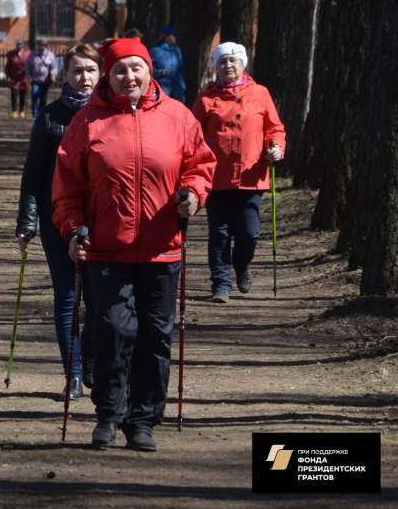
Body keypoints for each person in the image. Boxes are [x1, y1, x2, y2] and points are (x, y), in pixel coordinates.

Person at [53, 37, 215, 452]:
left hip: (163, 248)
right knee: (112, 331)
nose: (129, 77)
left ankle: (143, 419)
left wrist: (193, 194)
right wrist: (73, 228)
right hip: (106, 249)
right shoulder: (86, 122)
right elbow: (66, 186)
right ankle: (109, 413)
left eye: (135, 68)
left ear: (149, 70)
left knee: (155, 335)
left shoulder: (178, 116)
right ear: (107, 76)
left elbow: (200, 165)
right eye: (119, 70)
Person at [16, 44, 101, 398]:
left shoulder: (110, 115)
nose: (84, 78)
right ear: (64, 75)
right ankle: (74, 373)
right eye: (77, 71)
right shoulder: (50, 116)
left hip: (102, 222)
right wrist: (27, 222)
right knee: (67, 296)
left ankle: (96, 364)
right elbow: (34, 173)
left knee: (101, 299)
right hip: (57, 222)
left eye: (91, 70)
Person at [192, 42, 287, 303]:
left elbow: (275, 128)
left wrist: (276, 148)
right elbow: (191, 135)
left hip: (250, 176)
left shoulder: (260, 93)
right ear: (216, 66)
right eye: (222, 61)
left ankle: (242, 265)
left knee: (249, 232)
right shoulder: (206, 99)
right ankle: (221, 284)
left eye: (233, 60)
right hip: (216, 178)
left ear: (243, 64)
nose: (228, 65)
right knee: (219, 233)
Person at [148, 24, 186, 103]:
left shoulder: (177, 50)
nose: (176, 37)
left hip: (178, 94)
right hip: (162, 93)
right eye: (174, 35)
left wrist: (182, 86)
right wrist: (161, 72)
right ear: (167, 37)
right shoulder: (155, 51)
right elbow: (148, 72)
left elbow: (180, 71)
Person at [26, 38, 57, 119]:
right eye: (39, 45)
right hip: (35, 79)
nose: (41, 46)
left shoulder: (50, 55)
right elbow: (28, 66)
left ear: (46, 46)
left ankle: (40, 114)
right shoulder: (32, 54)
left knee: (43, 98)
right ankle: (34, 114)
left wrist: (53, 76)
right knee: (34, 94)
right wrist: (28, 76)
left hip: (45, 80)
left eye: (43, 45)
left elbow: (54, 67)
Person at [4, 39, 30, 118]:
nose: (19, 46)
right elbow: (8, 66)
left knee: (22, 95)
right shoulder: (11, 54)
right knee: (14, 95)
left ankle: (21, 111)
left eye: (21, 45)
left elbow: (30, 66)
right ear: (16, 46)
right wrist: (7, 75)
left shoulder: (27, 54)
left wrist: (29, 75)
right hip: (13, 78)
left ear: (23, 46)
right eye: (18, 45)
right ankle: (14, 110)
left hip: (24, 78)